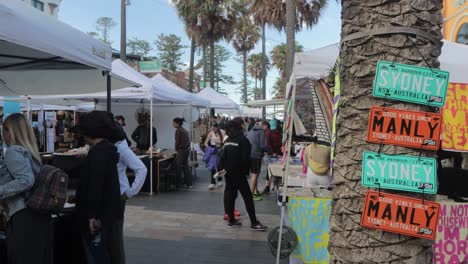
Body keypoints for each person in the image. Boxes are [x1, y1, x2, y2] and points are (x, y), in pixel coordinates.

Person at [0, 113, 52, 264]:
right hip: (35, 215)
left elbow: (25, 180)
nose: (2, 134)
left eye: (5, 129)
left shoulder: (13, 152)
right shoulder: (29, 152)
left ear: (12, 131)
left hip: (23, 215)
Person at [75, 111, 123, 264]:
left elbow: (96, 185)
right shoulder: (106, 150)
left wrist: (92, 216)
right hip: (106, 214)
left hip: (97, 216)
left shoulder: (98, 153)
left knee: (97, 256)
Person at [108, 115, 147, 264]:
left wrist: (130, 192)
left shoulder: (122, 148)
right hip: (115, 193)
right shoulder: (116, 146)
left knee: (115, 236)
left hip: (119, 194)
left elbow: (141, 169)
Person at [220, 117, 267, 231]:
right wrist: (245, 172)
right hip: (239, 174)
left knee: (231, 196)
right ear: (240, 126)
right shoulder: (243, 140)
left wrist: (224, 169)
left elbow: (222, 157)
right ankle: (254, 223)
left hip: (228, 173)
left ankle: (231, 220)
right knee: (247, 197)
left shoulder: (227, 140)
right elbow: (246, 159)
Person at [247, 120, 268, 201]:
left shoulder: (251, 130)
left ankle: (255, 192)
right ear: (264, 125)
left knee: (254, 174)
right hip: (256, 155)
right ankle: (251, 195)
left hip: (250, 154)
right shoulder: (261, 131)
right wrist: (269, 150)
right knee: (254, 175)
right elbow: (262, 145)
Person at [261, 120, 283, 194]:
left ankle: (268, 187)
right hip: (278, 154)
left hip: (273, 154)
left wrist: (272, 152)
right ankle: (274, 187)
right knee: (277, 170)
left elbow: (268, 144)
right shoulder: (280, 133)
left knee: (270, 170)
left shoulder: (269, 133)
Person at [173, 117, 192, 188]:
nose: (173, 124)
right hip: (186, 150)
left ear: (177, 123)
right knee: (185, 167)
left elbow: (177, 142)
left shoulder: (178, 131)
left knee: (178, 166)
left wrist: (176, 149)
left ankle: (178, 183)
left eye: (174, 123)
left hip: (181, 150)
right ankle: (188, 183)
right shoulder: (184, 130)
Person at [204, 123, 224, 190]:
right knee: (213, 166)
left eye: (214, 128)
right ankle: (212, 182)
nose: (213, 129)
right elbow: (205, 142)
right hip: (213, 150)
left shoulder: (222, 132)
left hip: (220, 150)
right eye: (212, 128)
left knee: (219, 166)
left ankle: (220, 180)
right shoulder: (210, 133)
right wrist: (209, 148)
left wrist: (218, 142)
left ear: (217, 127)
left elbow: (224, 141)